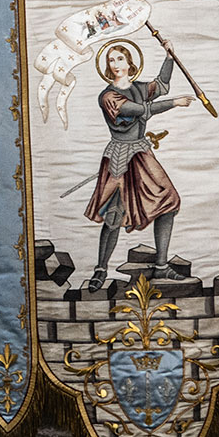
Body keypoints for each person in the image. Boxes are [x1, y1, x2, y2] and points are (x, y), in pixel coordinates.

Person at [81, 41, 192, 292]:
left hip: (141, 154)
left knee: (169, 202)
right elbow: (140, 110)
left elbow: (161, 85)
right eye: (111, 60)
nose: (115, 64)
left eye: (120, 58)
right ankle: (100, 270)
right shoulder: (108, 96)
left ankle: (161, 265)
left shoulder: (140, 88)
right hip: (120, 158)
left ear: (130, 62)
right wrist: (174, 103)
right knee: (114, 215)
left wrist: (169, 57)